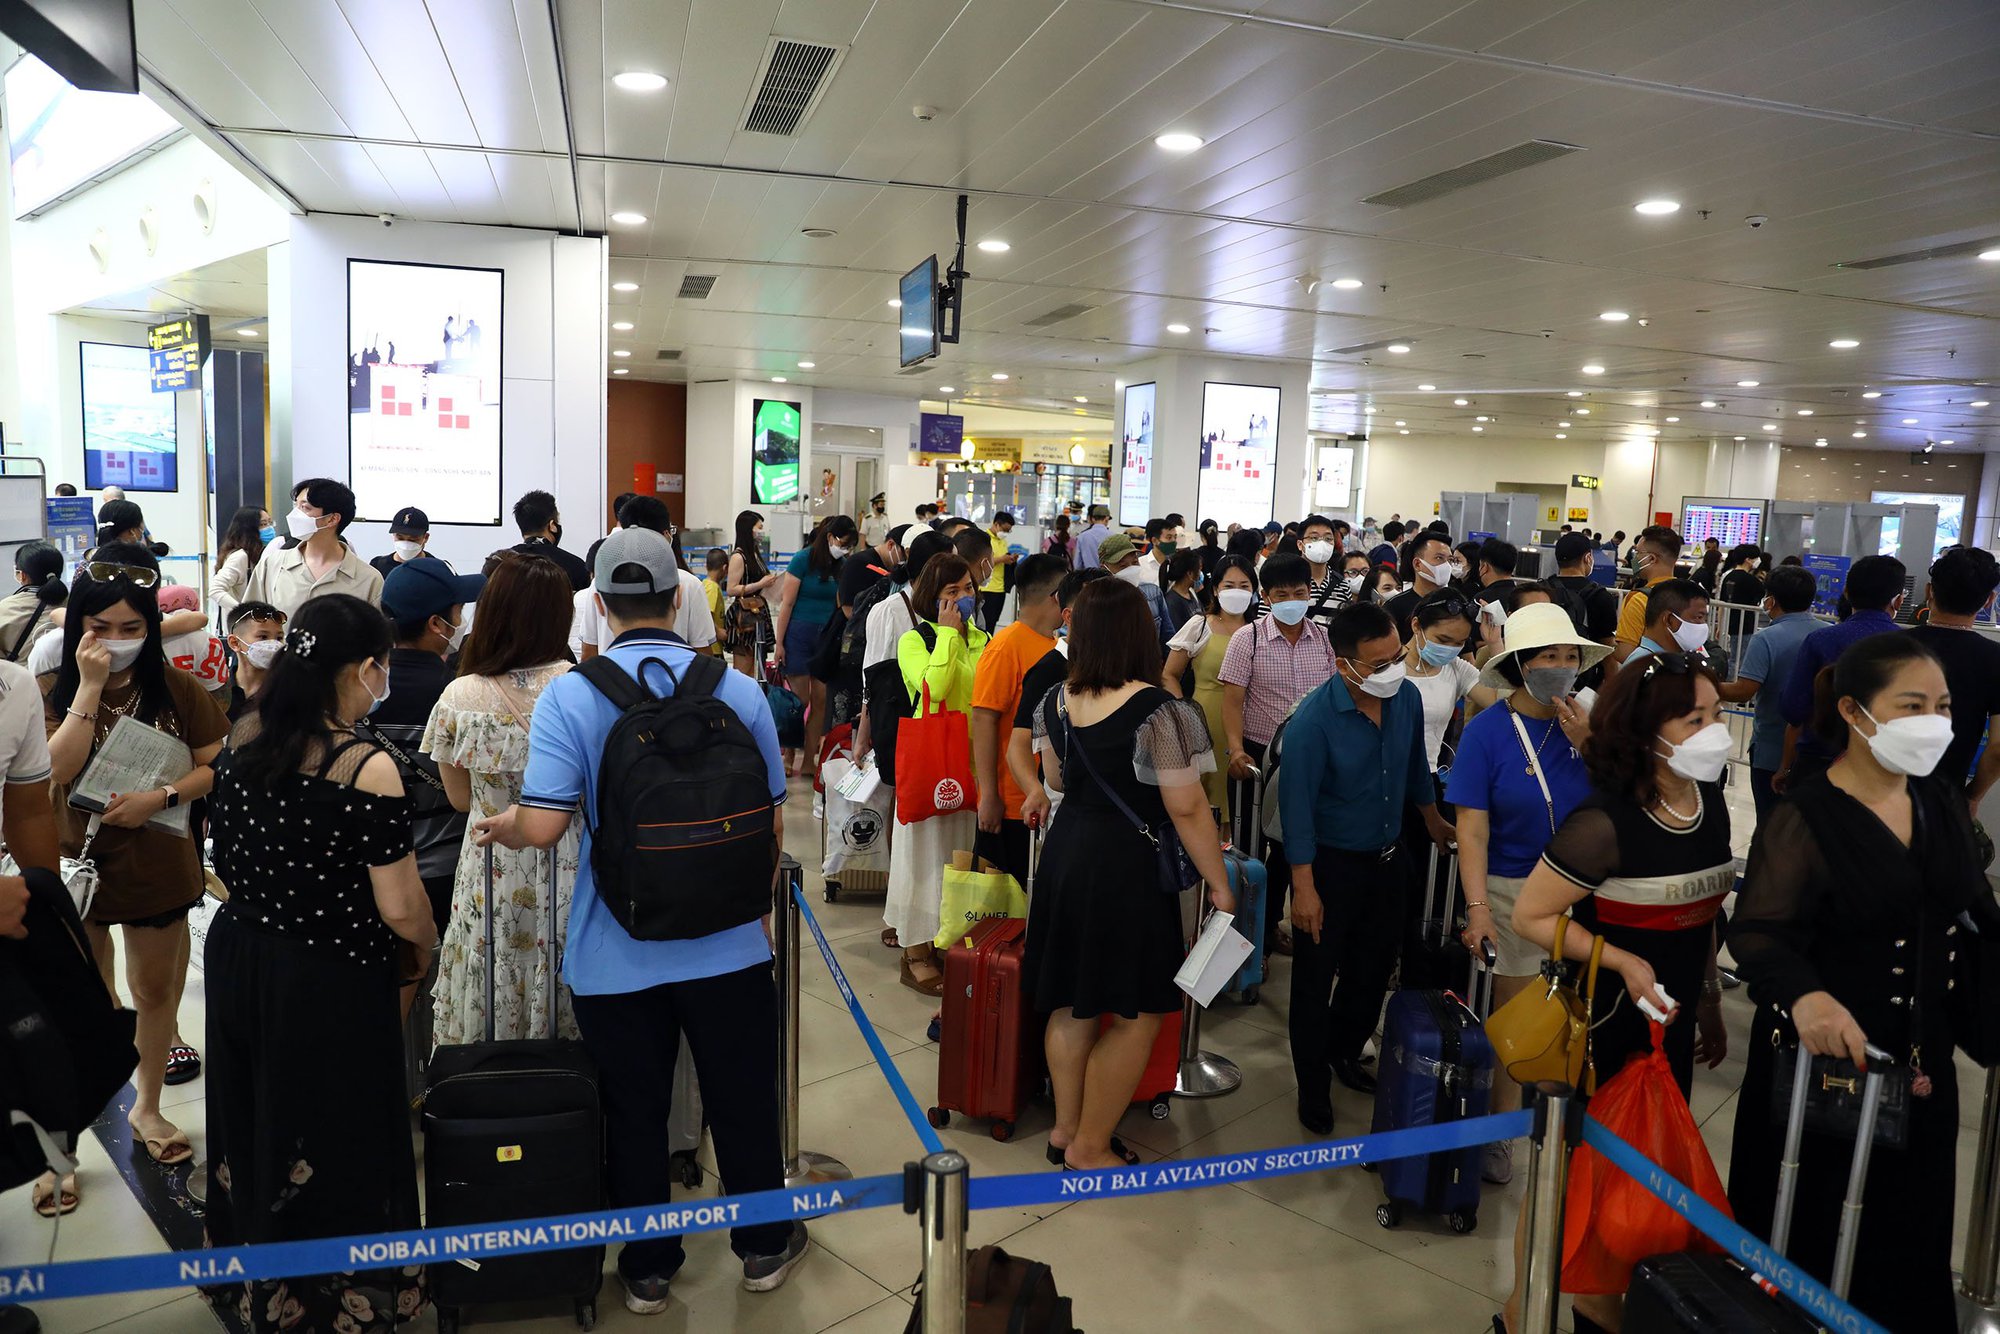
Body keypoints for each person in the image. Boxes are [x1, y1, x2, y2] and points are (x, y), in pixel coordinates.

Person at [473, 529, 809, 1309]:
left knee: (635, 1110)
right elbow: (770, 821)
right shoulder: (737, 689)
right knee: (743, 1100)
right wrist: (752, 913)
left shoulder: (572, 695)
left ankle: (649, 1268)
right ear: (678, 595)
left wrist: (504, 825)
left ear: (597, 602)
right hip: (730, 950)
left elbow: (544, 825)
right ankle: (763, 1248)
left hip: (615, 950)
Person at [1726, 633, 1997, 1331]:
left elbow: (1973, 912)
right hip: (1827, 1068)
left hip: (1921, 1060)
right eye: (1912, 706)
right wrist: (1805, 995)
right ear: (1853, 711)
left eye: (1943, 706)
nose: (1934, 722)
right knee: (1816, 1232)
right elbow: (1756, 933)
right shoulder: (1806, 817)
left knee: (1906, 1234)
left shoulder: (1938, 799)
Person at [201, 594, 436, 1331]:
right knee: (339, 1126)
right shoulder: (364, 765)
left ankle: (255, 1278)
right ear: (365, 669)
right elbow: (399, 905)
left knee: (253, 1113)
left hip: (240, 951)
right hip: (327, 970)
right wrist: (429, 942)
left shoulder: (246, 730)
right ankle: (333, 1299)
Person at [1502, 651, 1734, 1333]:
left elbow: (1702, 916)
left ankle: (1602, 1304)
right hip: (1603, 1030)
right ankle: (1528, 1311)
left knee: (1637, 1186)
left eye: (1717, 715)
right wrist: (1623, 959)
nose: (1715, 733)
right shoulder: (1604, 823)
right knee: (1575, 1181)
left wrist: (1710, 999)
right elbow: (1532, 916)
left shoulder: (1710, 803)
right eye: (1695, 720)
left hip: (1668, 1026)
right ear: (1646, 732)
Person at [1023, 579, 1231, 1169]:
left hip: (1067, 854)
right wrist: (1219, 882)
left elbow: (1056, 780)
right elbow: (1186, 806)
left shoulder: (1055, 699)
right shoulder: (1161, 711)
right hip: (1126, 866)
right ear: (1141, 633)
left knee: (1071, 1002)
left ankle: (1065, 1130)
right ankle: (1091, 1147)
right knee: (1137, 1014)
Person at [44, 546, 230, 1174]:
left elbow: (215, 764)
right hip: (74, 863)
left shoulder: (175, 687)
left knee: (155, 991)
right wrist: (90, 686)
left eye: (132, 628)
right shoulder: (49, 687)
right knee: (81, 998)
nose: (117, 641)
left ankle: (146, 1106)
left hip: (157, 859)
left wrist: (162, 796)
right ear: (78, 625)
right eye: (101, 628)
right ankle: (67, 1130)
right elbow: (56, 769)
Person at [1280, 603, 1456, 1131]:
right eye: (1379, 664)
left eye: (1397, 656)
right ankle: (1312, 1087)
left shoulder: (1404, 698)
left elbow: (1414, 768)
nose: (1393, 670)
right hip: (1329, 867)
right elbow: (1297, 813)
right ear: (1344, 665)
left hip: (1387, 858)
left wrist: (1433, 819)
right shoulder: (1312, 723)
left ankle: (1343, 1051)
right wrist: (1304, 889)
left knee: (1372, 971)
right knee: (1314, 980)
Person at [1446, 602, 1599, 1184]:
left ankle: (1566, 1113)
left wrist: (1590, 744)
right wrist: (1478, 907)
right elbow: (1472, 829)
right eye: (1548, 656)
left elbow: (1622, 798)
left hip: (1583, 889)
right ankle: (1501, 1129)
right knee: (1518, 1015)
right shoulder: (1487, 731)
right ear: (1521, 665)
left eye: (1570, 656)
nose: (1562, 666)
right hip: (1513, 888)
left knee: (1578, 1011)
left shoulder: (1586, 722)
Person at [421, 552, 579, 1046]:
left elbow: (459, 799)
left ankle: (488, 1080)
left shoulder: (459, 696)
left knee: (489, 973)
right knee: (562, 971)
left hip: (491, 865)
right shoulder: (580, 690)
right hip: (568, 861)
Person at [1219, 551, 1336, 946]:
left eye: (1299, 593)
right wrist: (1235, 750)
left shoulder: (1324, 640)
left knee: (1293, 851)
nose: (1292, 601)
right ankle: (1243, 938)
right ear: (1266, 597)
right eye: (1281, 594)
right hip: (1255, 758)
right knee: (1251, 853)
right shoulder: (1247, 638)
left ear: (1309, 593)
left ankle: (1267, 930)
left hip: (1305, 760)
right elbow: (1232, 701)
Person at [887, 553, 988, 995]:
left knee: (960, 860)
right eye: (952, 591)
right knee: (923, 861)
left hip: (971, 763)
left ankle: (950, 941)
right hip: (932, 763)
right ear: (934, 597)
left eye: (968, 588)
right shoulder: (916, 640)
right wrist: (947, 634)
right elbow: (934, 689)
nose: (964, 597)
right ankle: (915, 953)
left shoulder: (984, 639)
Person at [374, 559, 484, 953]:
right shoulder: (456, 694)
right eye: (458, 611)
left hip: (371, 867)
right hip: (443, 869)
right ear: (437, 624)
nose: (462, 619)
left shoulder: (362, 690)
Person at [971, 554, 1066, 883]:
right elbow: (983, 721)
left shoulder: (1057, 646)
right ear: (1057, 596)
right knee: (1003, 902)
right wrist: (988, 795)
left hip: (1044, 799)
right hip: (1010, 802)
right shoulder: (1006, 646)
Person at [1778, 554, 1906, 792]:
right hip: (1884, 769)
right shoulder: (1910, 647)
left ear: (1846, 592)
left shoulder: (1820, 640)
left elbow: (1793, 708)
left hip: (1818, 764)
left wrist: (1785, 767)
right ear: (1898, 601)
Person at [1715, 565, 1819, 819]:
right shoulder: (1826, 632)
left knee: (1770, 822)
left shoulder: (1766, 639)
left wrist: (1704, 685)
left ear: (1770, 600)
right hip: (1815, 749)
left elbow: (1744, 691)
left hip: (1772, 748)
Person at [1902, 546, 2000, 804]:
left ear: (1929, 591)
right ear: (1989, 600)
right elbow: (1998, 748)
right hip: (1945, 800)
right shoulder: (1994, 657)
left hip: (1877, 793)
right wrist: (1972, 797)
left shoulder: (1887, 647)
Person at [1162, 555, 1255, 823]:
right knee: (1206, 801)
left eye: (1244, 586)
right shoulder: (1200, 625)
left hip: (1249, 724)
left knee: (1241, 803)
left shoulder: (1258, 630)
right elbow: (1169, 674)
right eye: (1229, 586)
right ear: (1215, 589)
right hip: (1204, 724)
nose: (1236, 592)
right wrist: (1184, 715)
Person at [576, 497, 718, 661]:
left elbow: (589, 650)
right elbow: (703, 651)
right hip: (675, 675)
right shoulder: (689, 583)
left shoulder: (602, 581)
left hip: (611, 674)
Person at [771, 515, 857, 777]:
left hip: (825, 639)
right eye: (843, 543)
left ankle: (810, 759)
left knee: (820, 701)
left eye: (849, 546)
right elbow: (787, 604)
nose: (845, 549)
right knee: (800, 701)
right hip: (798, 635)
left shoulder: (842, 566)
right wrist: (779, 643)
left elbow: (842, 604)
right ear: (830, 537)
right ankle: (789, 754)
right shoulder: (802, 559)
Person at [245, 478, 385, 615]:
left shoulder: (368, 578)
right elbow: (248, 619)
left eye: (305, 508)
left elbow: (376, 629)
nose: (295, 515)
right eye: (296, 506)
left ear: (332, 519)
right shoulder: (272, 564)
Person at [1611, 523, 1684, 663]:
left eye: (1637, 553)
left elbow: (1625, 654)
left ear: (1651, 558)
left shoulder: (1639, 600)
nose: (1635, 559)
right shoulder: (1689, 596)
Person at [724, 509, 780, 677]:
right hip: (744, 616)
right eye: (759, 527)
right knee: (743, 668)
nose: (762, 531)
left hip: (759, 611)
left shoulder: (755, 554)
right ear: (748, 529)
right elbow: (731, 589)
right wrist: (760, 584)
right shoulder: (739, 557)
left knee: (757, 668)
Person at [1383, 530, 1461, 639]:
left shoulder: (1456, 604)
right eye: (1439, 558)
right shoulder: (1394, 607)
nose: (1447, 565)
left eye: (1450, 560)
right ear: (1417, 564)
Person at [0, 541, 66, 665]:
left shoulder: (5, 608)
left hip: (23, 676)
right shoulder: (76, 603)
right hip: (74, 676)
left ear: (22, 575)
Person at [1548, 532, 1618, 648]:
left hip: (1546, 657)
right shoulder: (1601, 596)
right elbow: (1607, 645)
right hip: (1586, 657)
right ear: (1588, 558)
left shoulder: (1543, 591)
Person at [221, 600, 286, 719]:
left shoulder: (287, 692)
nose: (274, 644)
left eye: (279, 638)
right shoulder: (219, 692)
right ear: (235, 643)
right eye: (263, 637)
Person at [206, 505, 271, 623]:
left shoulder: (261, 555)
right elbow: (215, 589)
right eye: (263, 524)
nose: (269, 528)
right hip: (244, 626)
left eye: (269, 523)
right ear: (249, 529)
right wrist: (242, 612)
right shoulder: (240, 557)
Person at [1623, 577, 1710, 664]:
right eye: (1699, 617)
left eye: (1705, 619)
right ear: (1669, 620)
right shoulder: (1644, 665)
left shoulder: (1668, 661)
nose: (1703, 625)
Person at [368, 505, 447, 579]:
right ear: (393, 535)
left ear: (425, 538)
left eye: (413, 539)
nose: (406, 545)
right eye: (400, 538)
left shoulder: (440, 569)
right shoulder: (378, 566)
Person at [1716, 543, 1765, 644]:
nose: (1758, 561)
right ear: (1748, 560)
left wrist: (1720, 626)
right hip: (1745, 626)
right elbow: (1760, 599)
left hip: (1729, 625)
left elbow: (1722, 604)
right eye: (1756, 558)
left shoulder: (1727, 577)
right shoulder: (1752, 581)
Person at [980, 510, 1020, 632]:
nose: (1006, 533)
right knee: (984, 623)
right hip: (987, 588)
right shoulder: (984, 539)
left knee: (993, 622)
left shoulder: (1002, 541)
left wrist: (1010, 559)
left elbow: (1001, 559)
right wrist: (1002, 559)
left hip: (1000, 588)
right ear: (996, 524)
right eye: (1005, 530)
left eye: (1009, 531)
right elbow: (983, 561)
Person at [1073, 503, 1113, 570]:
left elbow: (1077, 565)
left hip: (1088, 575)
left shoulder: (1081, 537)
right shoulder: (1113, 536)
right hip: (1106, 575)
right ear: (1107, 519)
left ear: (1093, 519)